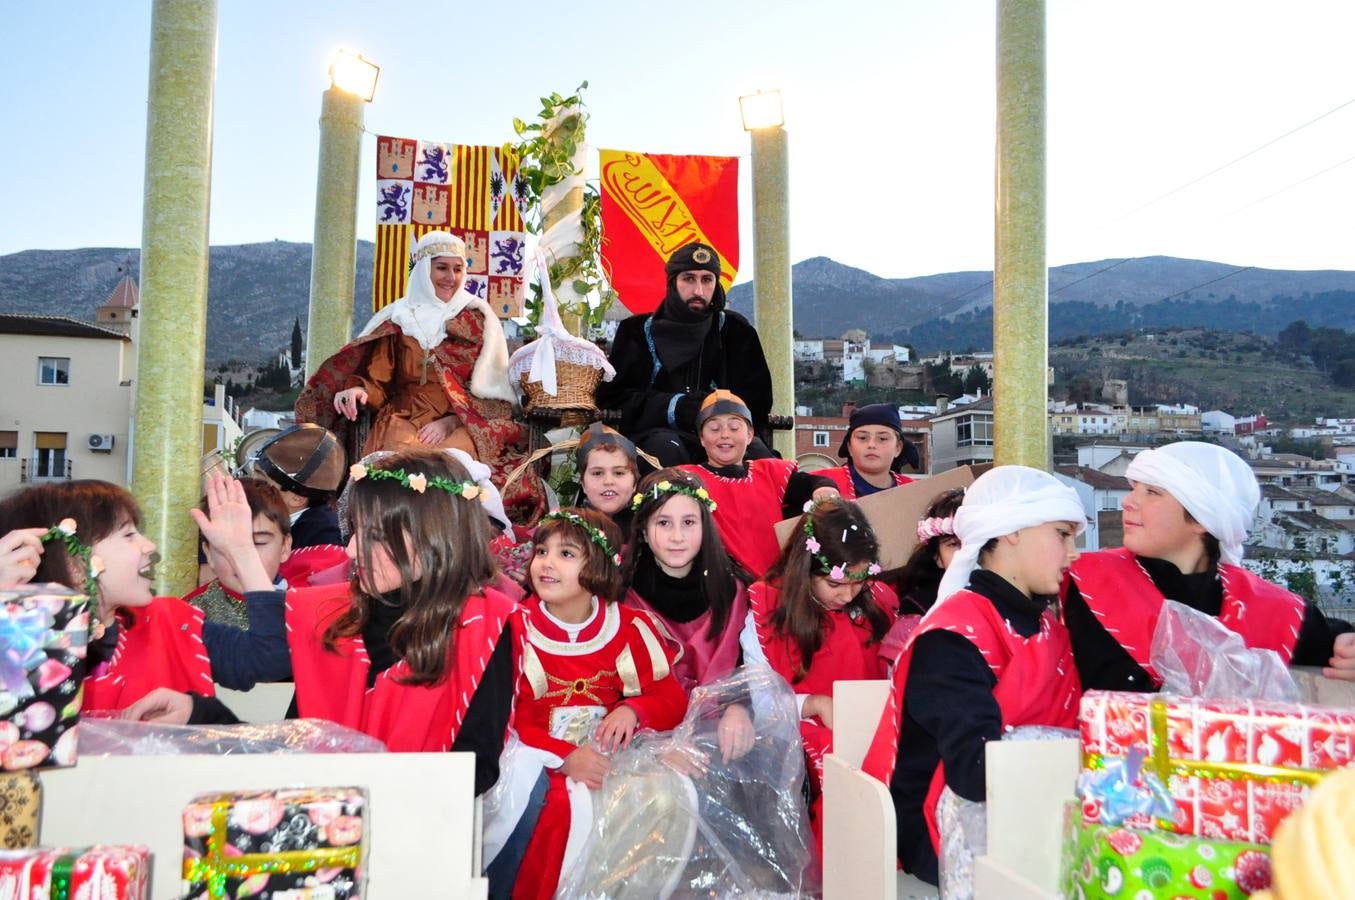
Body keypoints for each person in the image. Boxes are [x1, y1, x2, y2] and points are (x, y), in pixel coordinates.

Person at [860, 466, 1085, 885]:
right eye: (1062, 534)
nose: (1073, 553)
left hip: (1027, 808)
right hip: (943, 829)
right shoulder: (953, 635)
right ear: (1013, 530)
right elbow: (975, 773)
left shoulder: (1046, 624)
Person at [484, 508, 687, 900]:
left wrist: (634, 709)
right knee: (562, 807)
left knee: (667, 794)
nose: (546, 563)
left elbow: (670, 697)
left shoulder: (627, 626)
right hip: (535, 763)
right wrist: (565, 758)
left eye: (565, 554)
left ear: (597, 566)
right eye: (542, 551)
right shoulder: (514, 627)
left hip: (607, 760)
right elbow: (510, 719)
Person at [1061, 441, 1355, 690]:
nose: (1128, 501)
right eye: (1134, 488)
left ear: (1203, 518)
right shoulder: (1073, 582)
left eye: (1152, 492)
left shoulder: (1279, 612)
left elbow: (1341, 645)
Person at [295, 230, 545, 523]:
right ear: (424, 269)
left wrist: (451, 420)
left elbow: (491, 391)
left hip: (463, 419)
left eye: (458, 268)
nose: (450, 277)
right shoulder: (398, 319)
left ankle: (449, 534)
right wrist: (358, 390)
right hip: (404, 415)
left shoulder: (477, 319)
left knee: (449, 460)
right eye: (442, 267)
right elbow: (377, 379)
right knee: (399, 463)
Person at [0, 478, 291, 722]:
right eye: (128, 534)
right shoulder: (20, 640)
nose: (149, 546)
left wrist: (241, 551)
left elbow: (272, 660)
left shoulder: (172, 623)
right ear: (74, 563)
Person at [744, 497, 898, 841]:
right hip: (796, 735)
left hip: (871, 726)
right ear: (805, 568)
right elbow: (760, 702)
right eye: (834, 584)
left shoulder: (878, 604)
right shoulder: (768, 608)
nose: (847, 596)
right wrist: (811, 704)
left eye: (858, 583)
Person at [596, 242, 774, 467]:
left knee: (763, 463)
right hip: (657, 435)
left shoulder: (736, 331)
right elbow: (614, 399)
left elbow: (758, 401)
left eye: (707, 280)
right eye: (689, 279)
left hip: (724, 437)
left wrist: (716, 414)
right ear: (673, 283)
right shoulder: (637, 331)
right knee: (667, 452)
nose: (698, 290)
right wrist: (677, 407)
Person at [622, 469, 757, 763]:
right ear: (643, 530)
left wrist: (739, 708)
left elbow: (747, 665)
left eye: (688, 523)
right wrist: (654, 748)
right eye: (663, 523)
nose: (677, 537)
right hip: (646, 737)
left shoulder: (733, 590)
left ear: (705, 526)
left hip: (720, 732)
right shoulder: (622, 595)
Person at [679, 390, 837, 577]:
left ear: (750, 435)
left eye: (734, 428)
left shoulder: (770, 472)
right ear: (702, 438)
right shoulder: (687, 479)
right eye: (714, 429)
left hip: (774, 581)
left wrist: (824, 488)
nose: (724, 435)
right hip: (721, 581)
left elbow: (811, 482)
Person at [185, 476, 293, 628]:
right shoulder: (188, 617)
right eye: (227, 546)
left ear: (285, 547)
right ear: (208, 554)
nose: (243, 559)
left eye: (259, 543)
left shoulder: (311, 611)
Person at [877, 488, 965, 668]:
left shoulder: (1014, 600)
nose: (967, 553)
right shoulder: (919, 611)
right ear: (937, 558)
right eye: (954, 544)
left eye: (975, 541)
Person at [251, 422, 346, 549]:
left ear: (297, 498)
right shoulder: (275, 518)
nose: (251, 485)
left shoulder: (323, 539)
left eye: (261, 481)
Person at [817, 403, 920, 499]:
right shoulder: (819, 482)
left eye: (882, 438)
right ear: (849, 447)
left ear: (898, 448)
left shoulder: (915, 491)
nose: (871, 445)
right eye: (862, 438)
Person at [575, 422, 640, 536]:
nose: (608, 481)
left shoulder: (645, 531)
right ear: (583, 484)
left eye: (619, 473)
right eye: (597, 473)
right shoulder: (570, 530)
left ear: (634, 483)